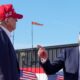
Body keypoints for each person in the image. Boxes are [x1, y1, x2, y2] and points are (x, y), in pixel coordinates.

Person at [0, 4, 23, 80]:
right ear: (6, 20)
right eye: (14, 17)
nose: (16, 20)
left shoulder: (4, 36)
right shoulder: (1, 36)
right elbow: (3, 71)